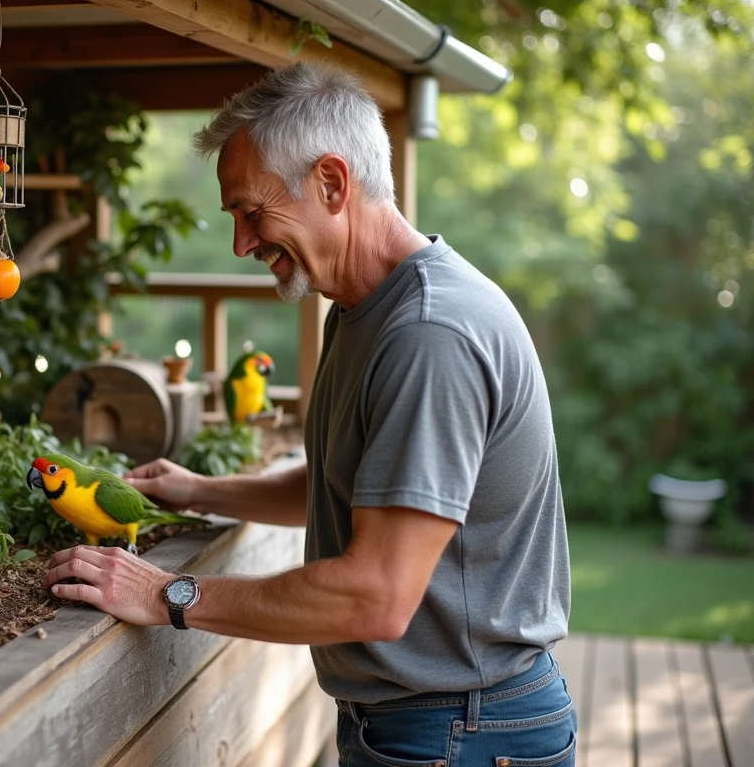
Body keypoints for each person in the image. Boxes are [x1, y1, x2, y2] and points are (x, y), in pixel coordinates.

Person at [42, 61, 574, 766]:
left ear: (331, 182)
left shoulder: (427, 336)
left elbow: (376, 597)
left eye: (251, 212)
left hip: (462, 732)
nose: (241, 244)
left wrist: (171, 593)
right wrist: (198, 490)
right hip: (423, 724)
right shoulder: (360, 310)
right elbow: (352, 483)